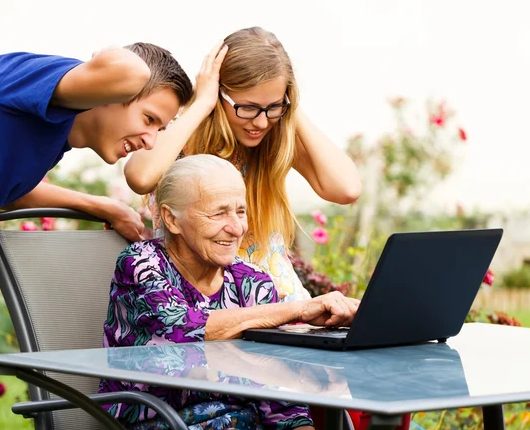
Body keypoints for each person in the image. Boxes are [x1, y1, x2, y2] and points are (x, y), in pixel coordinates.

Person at [0, 43, 193, 430]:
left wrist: (102, 206)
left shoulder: (48, 133)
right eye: (149, 118)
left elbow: (13, 187)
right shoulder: (34, 79)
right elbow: (129, 72)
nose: (151, 140)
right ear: (111, 94)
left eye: (161, 129)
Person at [99, 155, 360, 430]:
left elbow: (281, 402)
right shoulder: (142, 264)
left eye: (240, 211)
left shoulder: (250, 280)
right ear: (171, 219)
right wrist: (298, 309)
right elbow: (180, 331)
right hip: (161, 425)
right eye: (218, 213)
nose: (237, 228)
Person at [124, 27, 362, 303]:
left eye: (273, 107)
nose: (260, 122)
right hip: (207, 308)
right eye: (247, 107)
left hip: (285, 304)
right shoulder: (180, 136)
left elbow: (347, 188)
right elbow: (140, 176)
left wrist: (291, 109)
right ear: (219, 92)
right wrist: (202, 102)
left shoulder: (271, 139)